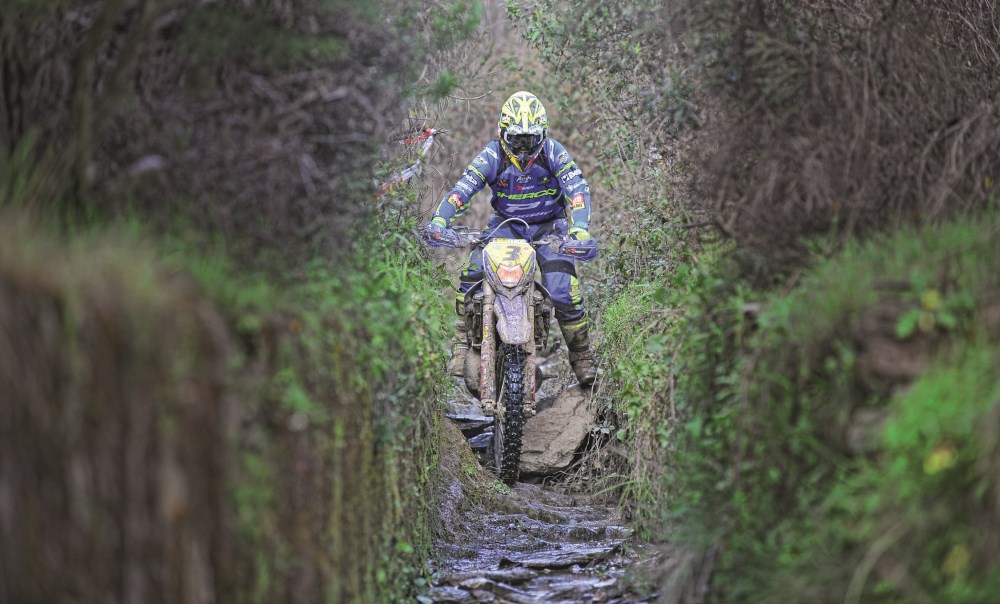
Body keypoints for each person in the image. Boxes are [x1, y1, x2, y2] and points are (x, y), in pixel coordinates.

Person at [425, 91, 598, 387]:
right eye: (517, 139)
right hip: (505, 226)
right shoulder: (493, 154)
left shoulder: (552, 152)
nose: (522, 147)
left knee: (562, 291)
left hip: (550, 227)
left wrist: (579, 229)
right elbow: (464, 187)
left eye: (530, 140)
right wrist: (441, 219)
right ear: (503, 133)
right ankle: (462, 344)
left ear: (542, 136)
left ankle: (581, 356)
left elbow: (577, 189)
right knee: (471, 273)